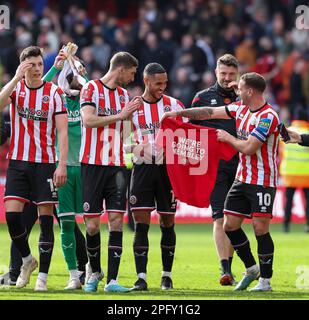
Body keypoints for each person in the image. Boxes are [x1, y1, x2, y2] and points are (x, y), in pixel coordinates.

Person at [163, 72, 279, 292]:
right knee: (229, 225)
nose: (236, 92)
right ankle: (252, 268)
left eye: (240, 89)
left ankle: (265, 280)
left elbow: (249, 147)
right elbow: (208, 112)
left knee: (260, 228)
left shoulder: (268, 116)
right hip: (242, 178)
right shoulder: (240, 109)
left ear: (250, 91)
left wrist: (228, 138)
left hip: (263, 180)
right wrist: (178, 113)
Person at [0, 46, 68, 291]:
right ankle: (27, 260)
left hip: (46, 163)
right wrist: (17, 77)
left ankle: (43, 279)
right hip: (18, 162)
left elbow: (62, 131)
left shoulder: (54, 92)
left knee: (46, 222)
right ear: (23, 66)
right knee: (12, 216)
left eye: (40, 64)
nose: (38, 69)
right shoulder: (16, 89)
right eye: (33, 65)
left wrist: (61, 164)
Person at [80, 51, 142, 293]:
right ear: (121, 69)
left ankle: (112, 281)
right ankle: (94, 274)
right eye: (132, 72)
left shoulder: (125, 95)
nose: (132, 77)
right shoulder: (91, 89)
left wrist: (137, 145)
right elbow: (88, 120)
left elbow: (126, 132)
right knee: (93, 225)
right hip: (92, 164)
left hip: (117, 166)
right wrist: (121, 115)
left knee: (116, 221)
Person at [129, 63, 184, 291]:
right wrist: (138, 148)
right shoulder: (132, 107)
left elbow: (187, 138)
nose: (163, 87)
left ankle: (166, 276)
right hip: (142, 169)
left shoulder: (175, 105)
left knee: (167, 222)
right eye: (158, 83)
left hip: (167, 170)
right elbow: (119, 141)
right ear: (146, 81)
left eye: (165, 83)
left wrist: (174, 148)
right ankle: (141, 278)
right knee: (141, 223)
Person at [42, 45, 89, 289]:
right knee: (67, 224)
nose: (74, 82)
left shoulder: (88, 101)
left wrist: (76, 65)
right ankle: (74, 275)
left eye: (75, 78)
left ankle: (92, 270)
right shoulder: (55, 102)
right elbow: (41, 87)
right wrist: (57, 66)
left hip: (86, 169)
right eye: (68, 78)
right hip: (62, 170)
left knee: (91, 224)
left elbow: (90, 85)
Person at [189, 54, 238, 286]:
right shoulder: (201, 98)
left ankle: (232, 266)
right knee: (219, 217)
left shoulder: (245, 98)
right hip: (215, 168)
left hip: (241, 166)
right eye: (223, 74)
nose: (227, 79)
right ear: (215, 73)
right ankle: (225, 268)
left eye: (231, 74)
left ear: (237, 74)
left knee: (234, 220)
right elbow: (190, 134)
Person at [280, 110, 309, 232]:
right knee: (308, 202)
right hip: (306, 173)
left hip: (289, 173)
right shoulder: (307, 132)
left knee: (288, 201)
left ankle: (286, 226)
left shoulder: (287, 131)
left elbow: (281, 152)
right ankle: (307, 226)